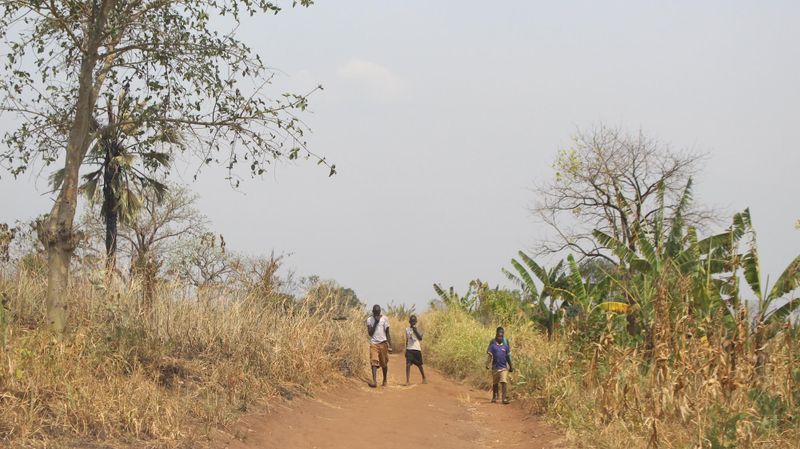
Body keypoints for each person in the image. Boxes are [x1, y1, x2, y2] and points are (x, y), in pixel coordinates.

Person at [366, 304, 392, 387]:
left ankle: (384, 380)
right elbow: (370, 333)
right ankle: (374, 382)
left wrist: (390, 345)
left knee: (384, 363)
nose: (377, 314)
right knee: (374, 361)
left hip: (383, 343)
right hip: (374, 343)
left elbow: (387, 333)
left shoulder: (385, 319)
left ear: (380, 311)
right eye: (375, 313)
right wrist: (376, 322)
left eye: (378, 312)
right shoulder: (369, 320)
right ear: (373, 312)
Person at [486, 326, 513, 404]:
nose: (500, 336)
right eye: (499, 334)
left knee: (504, 381)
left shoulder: (506, 342)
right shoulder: (492, 342)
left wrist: (510, 365)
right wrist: (488, 363)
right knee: (495, 383)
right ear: (496, 334)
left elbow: (508, 354)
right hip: (495, 366)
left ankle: (504, 398)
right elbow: (490, 354)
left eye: (502, 334)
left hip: (503, 366)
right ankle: (495, 396)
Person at [404, 314, 427, 385]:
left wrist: (415, 331)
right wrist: (406, 349)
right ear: (409, 322)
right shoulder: (407, 329)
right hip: (409, 349)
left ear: (416, 322)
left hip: (417, 349)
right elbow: (407, 340)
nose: (412, 323)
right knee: (408, 364)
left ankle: (424, 378)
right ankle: (407, 381)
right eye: (411, 321)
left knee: (419, 365)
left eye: (414, 321)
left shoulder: (419, 329)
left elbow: (420, 338)